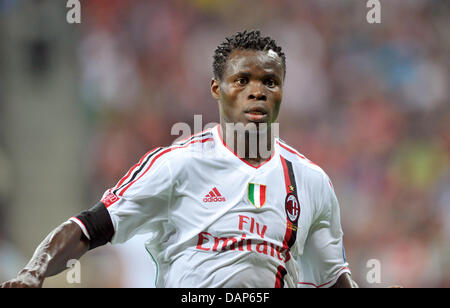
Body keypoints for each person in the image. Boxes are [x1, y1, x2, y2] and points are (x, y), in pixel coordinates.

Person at [1, 30, 357, 288]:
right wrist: (33, 272)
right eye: (242, 80)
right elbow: (90, 227)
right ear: (217, 88)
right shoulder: (178, 165)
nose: (257, 91)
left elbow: (333, 279)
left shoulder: (311, 182)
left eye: (270, 81)